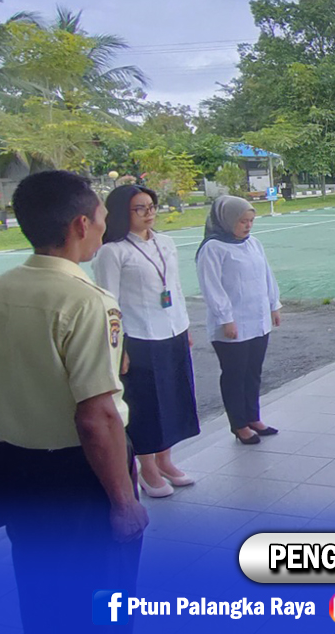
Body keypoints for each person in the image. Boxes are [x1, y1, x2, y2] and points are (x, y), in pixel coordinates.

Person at [0, 170, 148, 633]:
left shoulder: (2, 289)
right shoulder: (86, 302)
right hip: (79, 473)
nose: (104, 225)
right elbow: (96, 417)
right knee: (103, 595)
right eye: (102, 216)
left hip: (15, 466)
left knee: (39, 585)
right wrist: (123, 501)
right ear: (82, 224)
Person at [93, 185, 200, 498]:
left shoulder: (165, 242)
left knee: (173, 397)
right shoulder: (112, 251)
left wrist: (184, 325)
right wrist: (120, 347)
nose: (149, 213)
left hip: (172, 330)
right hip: (139, 336)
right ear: (121, 212)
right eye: (140, 208)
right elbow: (109, 303)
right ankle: (147, 468)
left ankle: (166, 461)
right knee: (147, 405)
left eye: (151, 206)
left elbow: (175, 288)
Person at [195, 195, 282, 446]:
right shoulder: (213, 248)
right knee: (235, 375)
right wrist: (226, 319)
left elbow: (266, 276)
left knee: (253, 372)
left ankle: (253, 417)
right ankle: (239, 424)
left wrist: (274, 305)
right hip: (232, 325)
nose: (248, 225)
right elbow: (212, 287)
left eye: (251, 220)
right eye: (243, 221)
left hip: (257, 320)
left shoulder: (253, 243)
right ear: (227, 220)